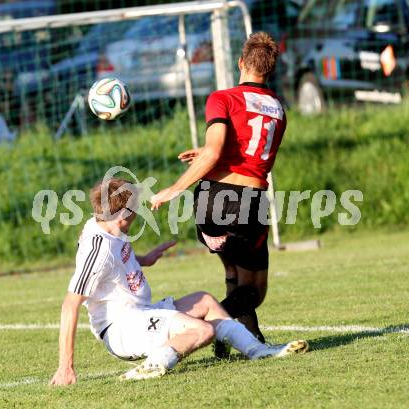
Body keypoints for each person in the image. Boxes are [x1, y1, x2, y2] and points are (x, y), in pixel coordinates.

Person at [50, 178, 307, 384]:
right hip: (121, 329)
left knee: (205, 301)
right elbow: (69, 305)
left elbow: (114, 261)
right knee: (202, 330)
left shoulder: (105, 225)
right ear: (123, 214)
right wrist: (65, 367)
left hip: (139, 313)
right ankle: (152, 365)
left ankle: (257, 351)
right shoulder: (99, 248)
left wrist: (145, 259)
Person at [150, 32, 286, 356]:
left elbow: (215, 153)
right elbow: (251, 153)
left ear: (241, 62)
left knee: (233, 274)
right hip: (249, 203)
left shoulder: (223, 97)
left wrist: (175, 188)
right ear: (271, 70)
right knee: (255, 291)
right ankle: (206, 326)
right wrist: (209, 154)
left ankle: (239, 339)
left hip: (211, 202)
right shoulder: (279, 108)